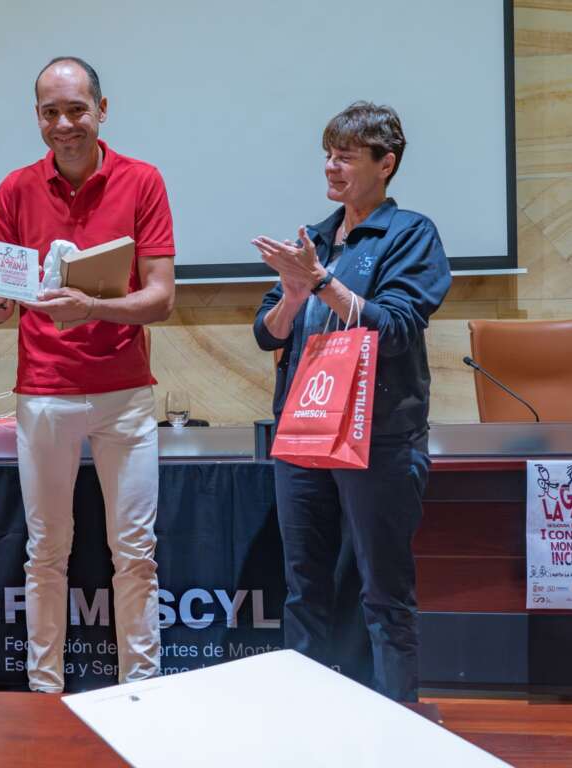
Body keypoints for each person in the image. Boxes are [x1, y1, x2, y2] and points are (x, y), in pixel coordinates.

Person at [0, 57, 175, 692]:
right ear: (37, 117)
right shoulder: (14, 189)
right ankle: (44, 690)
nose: (65, 123)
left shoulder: (143, 181)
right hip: (44, 393)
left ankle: (141, 687)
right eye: (51, 112)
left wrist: (94, 307)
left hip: (126, 395)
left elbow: (162, 298)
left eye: (76, 110)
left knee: (135, 555)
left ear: (102, 110)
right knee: (45, 555)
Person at [251, 102, 451, 702]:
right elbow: (268, 332)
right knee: (303, 588)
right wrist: (291, 294)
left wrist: (320, 283)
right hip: (304, 434)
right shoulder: (312, 239)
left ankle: (396, 730)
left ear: (385, 164)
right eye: (327, 154)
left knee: (383, 594)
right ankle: (309, 723)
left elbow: (393, 326)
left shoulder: (409, 233)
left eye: (346, 156)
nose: (331, 167)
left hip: (380, 439)